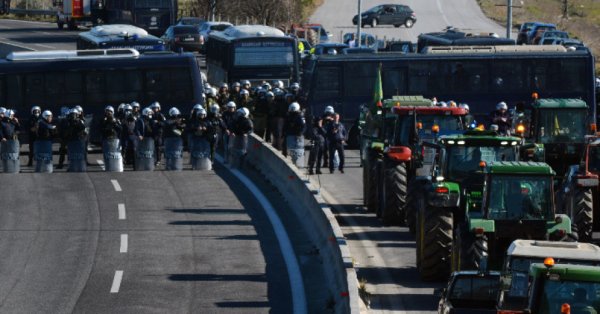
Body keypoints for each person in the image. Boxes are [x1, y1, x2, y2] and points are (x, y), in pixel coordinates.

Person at [283, 102, 306, 167]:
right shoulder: (288, 116)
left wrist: (300, 134)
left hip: (297, 137)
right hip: (289, 135)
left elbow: (304, 126)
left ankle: (298, 164)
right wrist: (284, 133)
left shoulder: (300, 116)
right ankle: (291, 164)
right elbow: (285, 125)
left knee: (298, 151)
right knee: (289, 151)